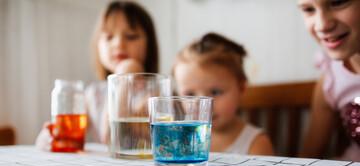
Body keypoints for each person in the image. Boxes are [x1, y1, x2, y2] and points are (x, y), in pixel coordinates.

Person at [36, 0, 159, 149]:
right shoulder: (93, 94)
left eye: (131, 36)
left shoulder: (157, 94)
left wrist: (125, 75)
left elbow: (111, 139)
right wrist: (49, 137)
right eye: (108, 37)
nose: (118, 43)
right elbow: (69, 132)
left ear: (149, 45)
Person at [172, 32, 274, 155]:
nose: (203, 105)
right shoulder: (180, 137)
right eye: (190, 95)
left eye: (215, 92)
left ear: (241, 88)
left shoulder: (256, 144)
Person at [297, 0, 360, 161]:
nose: (322, 25)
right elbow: (307, 158)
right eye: (309, 9)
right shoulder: (331, 80)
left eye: (338, 3)